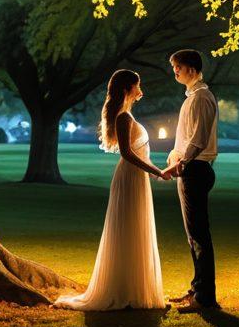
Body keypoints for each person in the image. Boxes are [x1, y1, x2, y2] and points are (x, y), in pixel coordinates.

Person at [55, 69, 165, 310]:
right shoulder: (124, 118)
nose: (141, 91)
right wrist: (157, 171)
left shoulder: (125, 116)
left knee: (134, 229)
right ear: (127, 89)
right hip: (130, 177)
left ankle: (134, 291)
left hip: (136, 178)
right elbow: (127, 153)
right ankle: (124, 291)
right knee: (128, 230)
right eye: (138, 86)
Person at [161, 49, 219, 311]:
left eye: (178, 67)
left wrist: (181, 162)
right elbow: (183, 139)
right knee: (192, 235)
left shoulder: (202, 97)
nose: (175, 71)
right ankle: (197, 289)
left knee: (198, 235)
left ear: (192, 69)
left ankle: (205, 297)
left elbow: (199, 138)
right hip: (189, 168)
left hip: (195, 169)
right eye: (174, 67)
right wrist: (175, 158)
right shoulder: (192, 97)